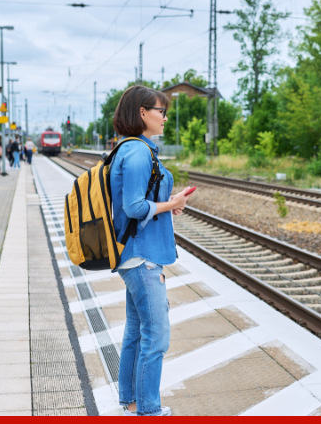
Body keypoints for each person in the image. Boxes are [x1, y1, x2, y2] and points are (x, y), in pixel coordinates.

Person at [111, 85, 192, 417]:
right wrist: (168, 204)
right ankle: (148, 409)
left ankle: (130, 401)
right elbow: (132, 206)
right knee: (156, 337)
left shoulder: (133, 149)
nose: (165, 117)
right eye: (161, 111)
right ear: (142, 113)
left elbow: (140, 201)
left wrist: (166, 206)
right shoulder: (138, 152)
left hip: (136, 253)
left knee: (135, 332)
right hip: (141, 256)